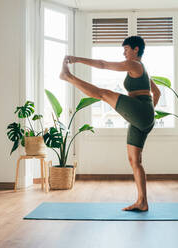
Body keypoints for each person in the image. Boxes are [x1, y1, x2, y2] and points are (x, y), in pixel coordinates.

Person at [59, 36, 161, 211]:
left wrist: (77, 59)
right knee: (134, 160)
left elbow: (103, 64)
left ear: (136, 50)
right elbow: (156, 93)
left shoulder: (134, 64)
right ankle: (142, 202)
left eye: (126, 49)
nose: (124, 53)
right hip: (143, 117)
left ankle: (67, 76)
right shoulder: (142, 69)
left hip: (142, 113)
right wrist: (146, 115)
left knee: (103, 94)